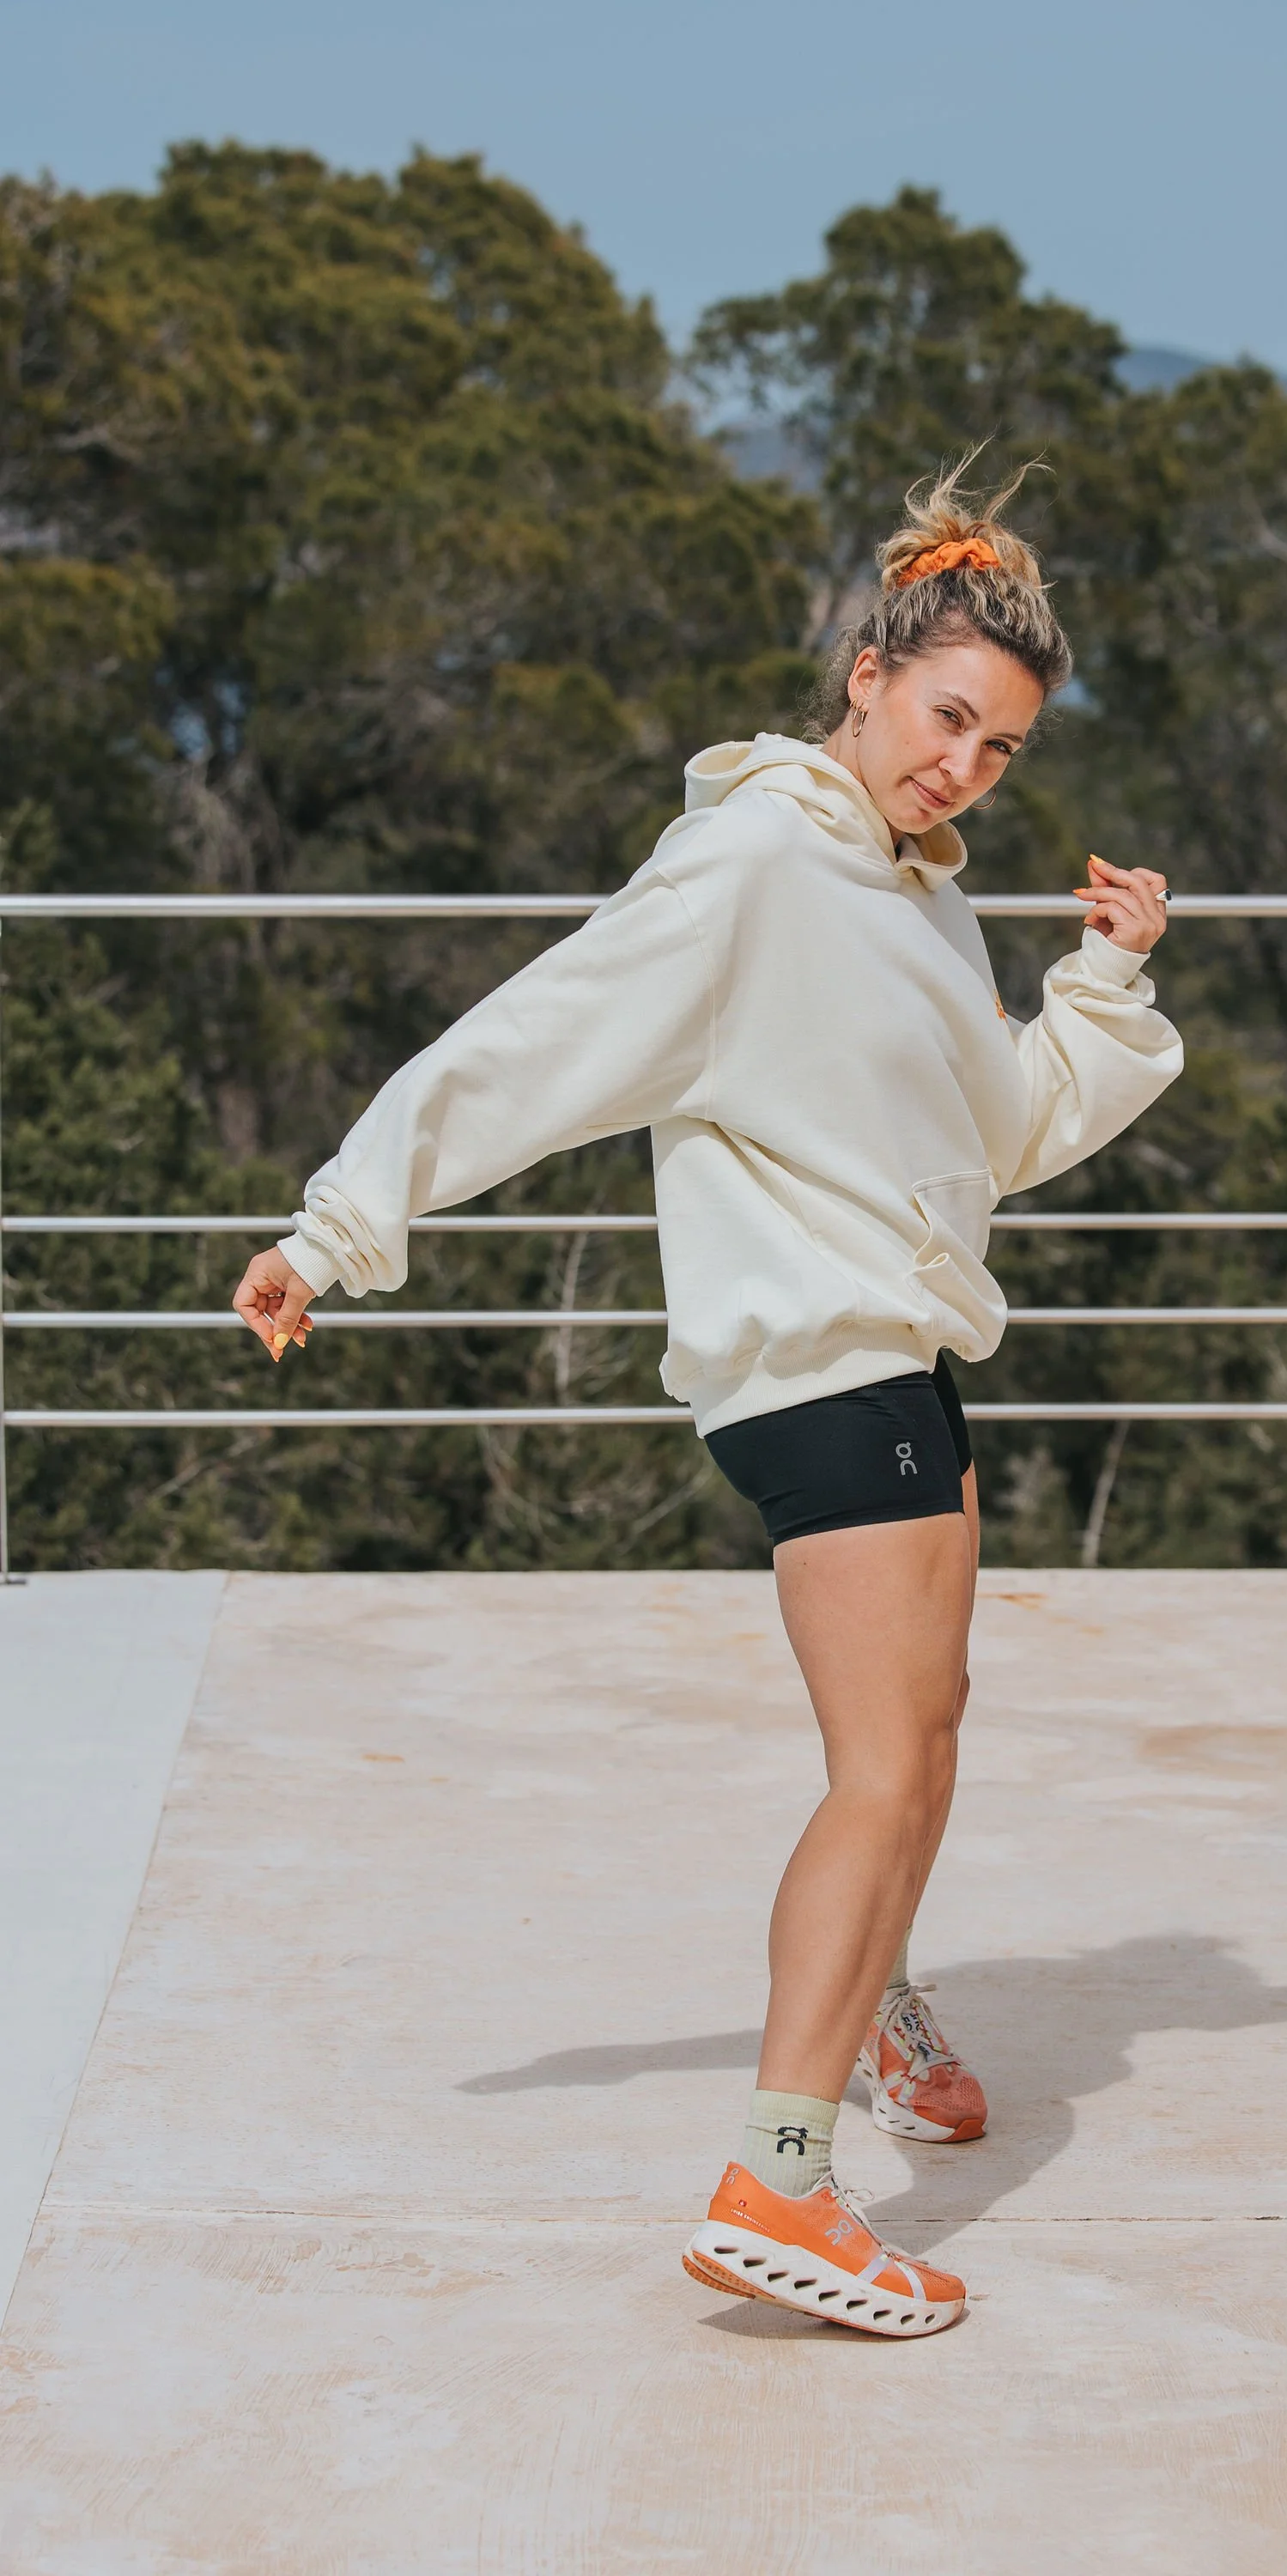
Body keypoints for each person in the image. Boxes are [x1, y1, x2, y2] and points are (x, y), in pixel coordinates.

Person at [233, 464, 1182, 2339]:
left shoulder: (914, 895)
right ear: (865, 675)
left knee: (928, 1732)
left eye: (999, 749)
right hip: (817, 1359)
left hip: (897, 1347)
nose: (964, 769)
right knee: (884, 1768)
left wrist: (1102, 980)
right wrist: (339, 1225)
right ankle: (782, 2182)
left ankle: (876, 2009)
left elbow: (994, 1131)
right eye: (945, 719)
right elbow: (533, 1039)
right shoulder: (753, 864)